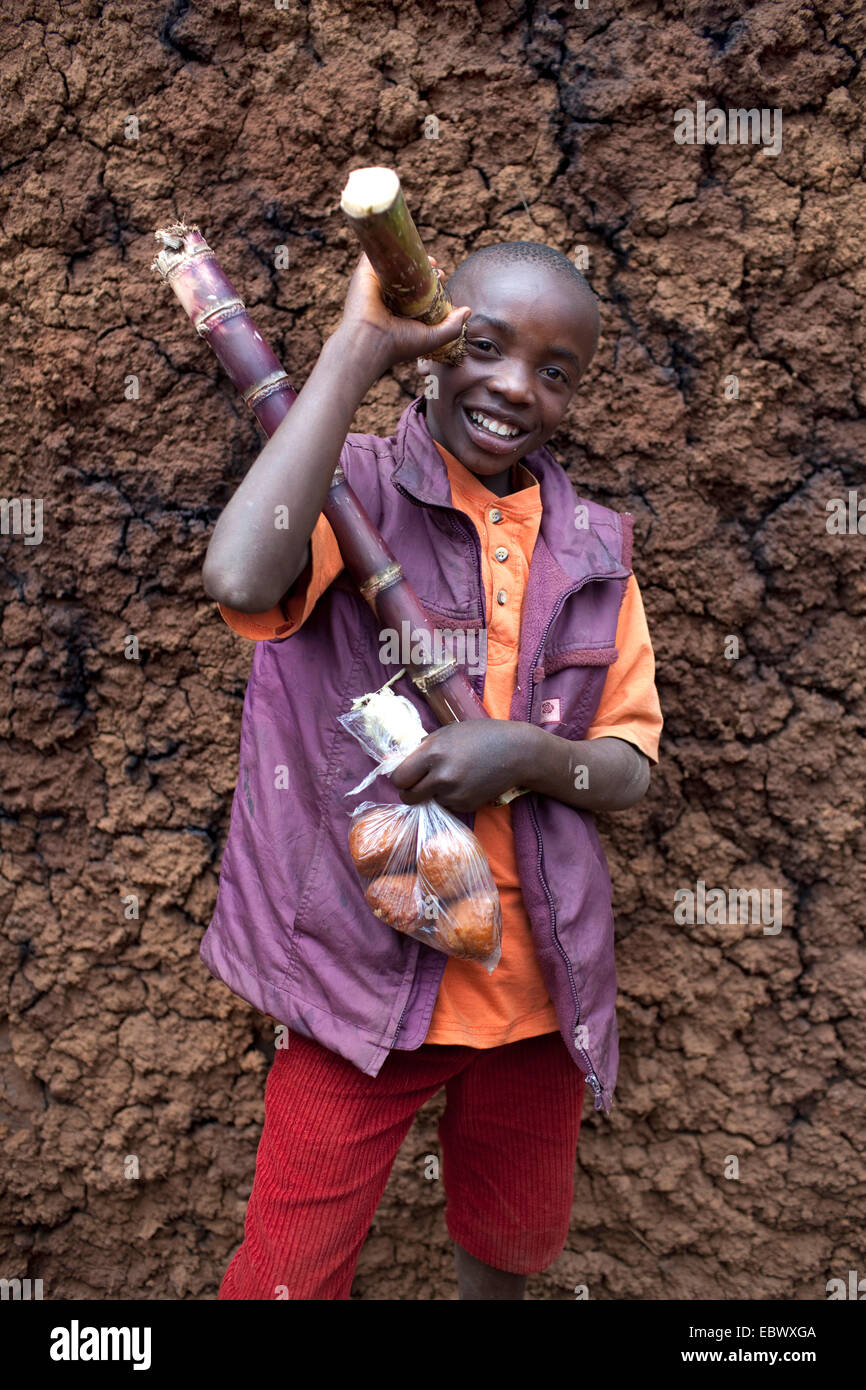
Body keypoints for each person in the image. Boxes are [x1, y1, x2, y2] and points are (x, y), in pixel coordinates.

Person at [200, 241, 663, 1300]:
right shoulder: (344, 490)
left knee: (507, 1249)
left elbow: (626, 769)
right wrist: (357, 348)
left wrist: (534, 755)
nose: (513, 386)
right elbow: (236, 573)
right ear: (433, 348)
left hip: (537, 997)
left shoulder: (593, 553)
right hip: (355, 992)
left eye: (554, 370)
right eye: (484, 348)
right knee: (288, 1270)